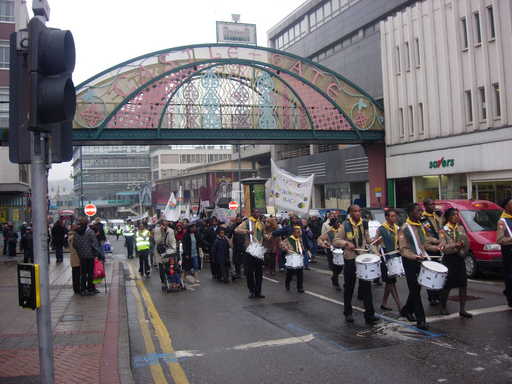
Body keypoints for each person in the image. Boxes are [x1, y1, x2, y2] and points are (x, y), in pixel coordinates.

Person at [399, 203, 443, 330]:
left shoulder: (419, 226)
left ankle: (406, 310)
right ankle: (421, 320)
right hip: (410, 262)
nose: (421, 213)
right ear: (411, 213)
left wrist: (437, 247)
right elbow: (403, 250)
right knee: (415, 290)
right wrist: (415, 256)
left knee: (417, 289)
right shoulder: (404, 229)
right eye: (418, 211)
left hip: (420, 260)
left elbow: (423, 245)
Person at [333, 205, 378, 325]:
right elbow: (336, 241)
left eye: (359, 211)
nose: (358, 213)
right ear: (350, 213)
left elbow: (367, 240)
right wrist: (346, 243)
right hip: (350, 259)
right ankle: (348, 312)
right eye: (355, 211)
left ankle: (370, 314)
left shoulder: (364, 224)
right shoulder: (345, 225)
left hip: (363, 259)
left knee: (366, 287)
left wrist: (374, 243)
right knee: (349, 287)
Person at [439, 208, 471, 318]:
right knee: (447, 285)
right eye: (454, 215)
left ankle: (462, 309)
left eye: (457, 215)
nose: (457, 217)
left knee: (463, 284)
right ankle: (443, 306)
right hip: (449, 259)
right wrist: (454, 246)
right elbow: (443, 247)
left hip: (459, 259)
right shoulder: (443, 230)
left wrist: (464, 250)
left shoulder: (461, 228)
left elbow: (466, 242)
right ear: (448, 217)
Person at [375, 209, 402, 312]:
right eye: (391, 216)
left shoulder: (397, 228)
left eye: (395, 216)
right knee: (391, 282)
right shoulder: (381, 229)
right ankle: (399, 305)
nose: (394, 218)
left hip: (395, 256)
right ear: (386, 217)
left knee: (389, 281)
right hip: (385, 257)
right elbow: (375, 243)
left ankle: (384, 303)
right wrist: (377, 245)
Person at [236, 210, 265, 299]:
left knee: (259, 273)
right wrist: (247, 231)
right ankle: (251, 291)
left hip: (258, 250)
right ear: (252, 213)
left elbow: (262, 235)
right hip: (250, 250)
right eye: (256, 212)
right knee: (249, 272)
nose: (258, 214)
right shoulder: (247, 222)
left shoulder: (261, 224)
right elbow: (237, 230)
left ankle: (258, 292)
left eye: (258, 212)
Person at [421, 198, 445, 305]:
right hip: (429, 248)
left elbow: (441, 229)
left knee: (439, 271)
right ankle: (432, 296)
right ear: (425, 206)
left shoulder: (436, 216)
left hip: (439, 247)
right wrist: (435, 240)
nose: (433, 206)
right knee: (431, 271)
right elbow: (426, 235)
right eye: (431, 204)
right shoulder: (423, 218)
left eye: (434, 204)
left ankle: (438, 293)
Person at [73, 217, 102, 296]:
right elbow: (94, 244)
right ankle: (90, 288)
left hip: (82, 256)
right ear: (86, 224)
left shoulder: (76, 233)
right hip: (90, 255)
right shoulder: (90, 232)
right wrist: (98, 254)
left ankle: (83, 289)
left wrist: (80, 252)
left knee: (83, 273)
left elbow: (74, 245)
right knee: (90, 273)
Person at [317, 218, 343, 291]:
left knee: (340, 268)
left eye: (339, 223)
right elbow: (319, 239)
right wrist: (323, 244)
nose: (339, 224)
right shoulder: (330, 232)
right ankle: (336, 282)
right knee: (335, 268)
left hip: (341, 251)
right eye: (337, 223)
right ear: (333, 224)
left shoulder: (342, 230)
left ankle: (335, 277)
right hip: (332, 252)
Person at [497, 197, 512, 308]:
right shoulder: (502, 221)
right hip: (509, 250)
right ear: (506, 206)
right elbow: (499, 240)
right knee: (510, 276)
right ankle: (510, 297)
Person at [282, 226, 305, 293]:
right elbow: (282, 246)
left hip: (299, 258)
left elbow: (302, 247)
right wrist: (286, 249)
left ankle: (300, 287)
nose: (298, 233)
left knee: (300, 273)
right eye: (297, 232)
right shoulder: (288, 239)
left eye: (299, 232)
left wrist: (303, 251)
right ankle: (287, 283)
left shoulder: (300, 239)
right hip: (291, 258)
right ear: (293, 232)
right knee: (290, 273)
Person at [154, 220, 177, 290]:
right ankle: (163, 282)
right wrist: (162, 233)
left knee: (170, 267)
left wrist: (174, 249)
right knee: (161, 268)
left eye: (166, 223)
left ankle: (171, 281)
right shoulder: (157, 230)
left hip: (169, 251)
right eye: (163, 224)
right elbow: (157, 241)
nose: (165, 225)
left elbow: (173, 241)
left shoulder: (171, 231)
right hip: (160, 251)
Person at [68, 224, 81, 294]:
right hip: (76, 258)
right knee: (77, 274)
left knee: (75, 273)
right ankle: (77, 288)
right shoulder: (74, 237)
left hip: (73, 258)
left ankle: (76, 288)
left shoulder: (70, 236)